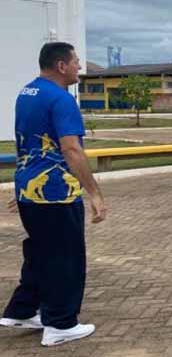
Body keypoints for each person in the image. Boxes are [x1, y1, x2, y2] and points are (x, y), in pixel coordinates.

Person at [1, 42, 107, 347]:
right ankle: (60, 324)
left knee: (41, 252)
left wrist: (25, 185)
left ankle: (22, 310)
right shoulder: (61, 99)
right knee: (65, 258)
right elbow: (71, 149)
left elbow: (27, 142)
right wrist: (95, 194)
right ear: (61, 66)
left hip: (31, 190)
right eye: (76, 62)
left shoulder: (27, 93)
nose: (79, 67)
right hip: (56, 193)